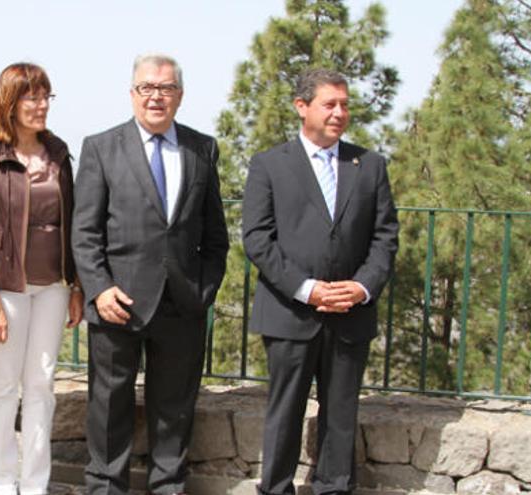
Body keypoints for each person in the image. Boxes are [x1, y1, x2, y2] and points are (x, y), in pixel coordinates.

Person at [72, 53, 229, 495]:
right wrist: (99, 290)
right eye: (147, 87)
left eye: (165, 88)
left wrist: (205, 288)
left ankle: (169, 486)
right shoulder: (101, 147)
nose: (156, 96)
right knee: (107, 404)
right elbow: (84, 232)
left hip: (183, 303)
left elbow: (216, 235)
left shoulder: (203, 148)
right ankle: (105, 486)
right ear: (132, 93)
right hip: (117, 302)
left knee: (175, 407)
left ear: (180, 95)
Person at [242, 68, 399, 495]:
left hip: (351, 314)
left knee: (341, 414)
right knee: (285, 412)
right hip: (289, 312)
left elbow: (385, 238)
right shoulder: (269, 165)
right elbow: (257, 239)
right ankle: (275, 488)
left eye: (345, 104)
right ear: (302, 107)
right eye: (330, 103)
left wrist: (361, 287)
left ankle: (334, 488)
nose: (340, 112)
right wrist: (307, 288)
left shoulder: (370, 165)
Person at [0, 62, 83, 495]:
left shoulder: (60, 152)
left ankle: (34, 484)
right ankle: (1, 481)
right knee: (3, 386)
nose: (42, 105)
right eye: (32, 96)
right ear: (9, 103)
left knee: (41, 385)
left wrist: (77, 286)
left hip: (53, 286)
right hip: (6, 288)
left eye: (47, 95)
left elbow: (76, 222)